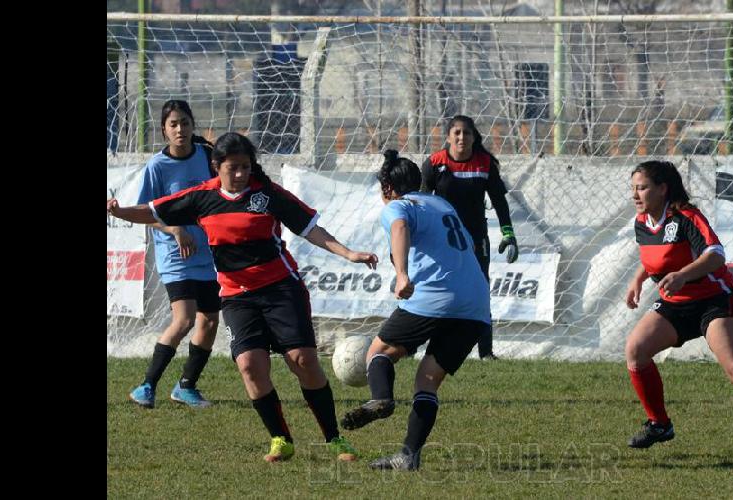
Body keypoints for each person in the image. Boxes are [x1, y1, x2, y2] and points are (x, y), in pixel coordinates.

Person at [108, 132, 377, 463]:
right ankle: (281, 439)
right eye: (232, 168)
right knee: (250, 365)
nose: (240, 175)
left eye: (245, 167)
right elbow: (153, 211)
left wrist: (348, 254)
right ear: (216, 167)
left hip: (281, 288)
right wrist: (119, 212)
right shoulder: (201, 197)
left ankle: (335, 439)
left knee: (303, 361)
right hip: (237, 295)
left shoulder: (267, 195)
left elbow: (310, 228)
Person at [623, 160, 733, 462]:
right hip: (676, 303)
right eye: (633, 188)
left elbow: (715, 255)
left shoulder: (686, 216)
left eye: (642, 188)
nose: (635, 194)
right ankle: (659, 425)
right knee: (635, 350)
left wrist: (683, 275)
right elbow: (657, 257)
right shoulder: (642, 222)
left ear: (662, 189)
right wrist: (638, 279)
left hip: (715, 300)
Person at [339, 150, 492, 471]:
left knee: (377, 353)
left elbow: (398, 228)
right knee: (427, 381)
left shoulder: (397, 205)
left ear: (386, 189)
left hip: (434, 296)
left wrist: (403, 274)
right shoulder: (442, 204)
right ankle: (408, 456)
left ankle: (380, 397)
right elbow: (472, 246)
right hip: (476, 304)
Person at [128, 100, 220, 409]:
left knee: (209, 321)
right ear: (164, 130)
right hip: (175, 254)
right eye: (173, 124)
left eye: (185, 122)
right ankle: (146, 385)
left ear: (193, 125)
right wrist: (176, 229)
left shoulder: (207, 157)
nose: (180, 129)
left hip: (207, 253)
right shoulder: (157, 166)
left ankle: (186, 386)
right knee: (184, 319)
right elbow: (146, 211)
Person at [420, 115, 516, 360]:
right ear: (448, 136)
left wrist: (508, 233)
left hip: (475, 240)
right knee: (438, 290)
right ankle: (427, 348)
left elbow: (499, 201)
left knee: (480, 291)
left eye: (467, 133)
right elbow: (421, 202)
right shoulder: (434, 163)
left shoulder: (484, 164)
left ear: (474, 137)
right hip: (442, 241)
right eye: (457, 133)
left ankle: (486, 352)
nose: (462, 137)